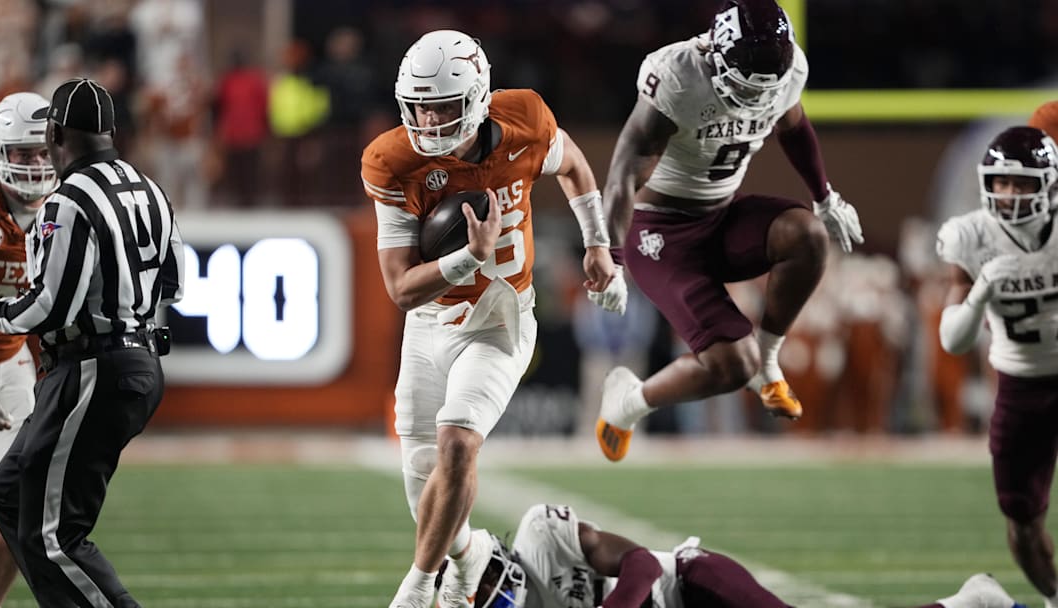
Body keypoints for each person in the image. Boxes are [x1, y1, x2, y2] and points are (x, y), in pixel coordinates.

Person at [360, 30, 621, 608]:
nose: (427, 122)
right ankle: (472, 558)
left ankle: (419, 588)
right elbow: (401, 288)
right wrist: (467, 257)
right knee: (425, 486)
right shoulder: (392, 159)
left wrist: (597, 244)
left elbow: (574, 165)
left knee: (457, 446)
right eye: (418, 106)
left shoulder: (525, 117)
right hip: (430, 322)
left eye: (442, 107)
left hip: (500, 319)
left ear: (478, 98)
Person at [593, 0, 863, 462]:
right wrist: (611, 257)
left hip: (721, 217)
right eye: (743, 86)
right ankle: (630, 401)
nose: (755, 100)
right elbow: (624, 172)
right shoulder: (678, 76)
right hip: (661, 234)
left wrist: (824, 195)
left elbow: (794, 128)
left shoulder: (789, 69)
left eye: (765, 90)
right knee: (733, 366)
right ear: (715, 59)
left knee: (808, 235)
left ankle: (769, 356)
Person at [0, 78, 184, 607]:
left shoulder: (66, 200)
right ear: (111, 131)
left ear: (55, 134)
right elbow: (177, 282)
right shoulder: (150, 188)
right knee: (7, 494)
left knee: (56, 536)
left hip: (91, 366)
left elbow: (51, 306)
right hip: (135, 355)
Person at [456, 503, 1024, 608]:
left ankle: (970, 602)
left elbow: (643, 565)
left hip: (688, 583)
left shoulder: (539, 536)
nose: (494, 599)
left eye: (487, 587)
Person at [935, 125, 1058, 608]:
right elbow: (952, 340)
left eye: (1021, 183)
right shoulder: (971, 237)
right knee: (1022, 516)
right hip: (1021, 381)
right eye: (1000, 183)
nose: (1008, 194)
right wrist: (983, 287)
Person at [0, 91, 58, 608]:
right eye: (22, 153)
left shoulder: (65, 210)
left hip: (10, 367)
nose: (35, 164)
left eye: (41, 152)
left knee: (21, 509)